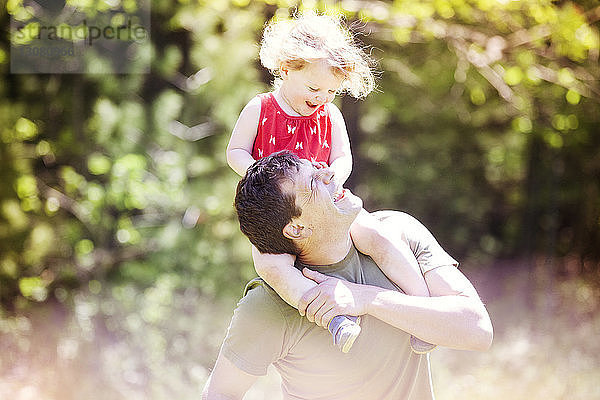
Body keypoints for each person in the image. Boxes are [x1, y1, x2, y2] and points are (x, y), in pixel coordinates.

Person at [202, 152, 493, 399]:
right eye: (314, 182)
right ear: (296, 228)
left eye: (317, 167)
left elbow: (477, 329)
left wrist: (365, 300)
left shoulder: (399, 232)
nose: (329, 174)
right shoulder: (270, 304)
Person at [226, 12, 435, 354]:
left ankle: (422, 308)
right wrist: (257, 171)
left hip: (329, 202)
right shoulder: (261, 108)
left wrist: (334, 176)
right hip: (279, 211)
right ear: (286, 68)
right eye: (313, 87)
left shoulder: (329, 115)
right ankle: (334, 319)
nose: (322, 96)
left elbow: (342, 158)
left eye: (331, 91)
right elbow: (234, 151)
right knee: (271, 265)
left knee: (377, 235)